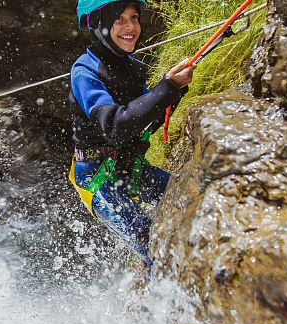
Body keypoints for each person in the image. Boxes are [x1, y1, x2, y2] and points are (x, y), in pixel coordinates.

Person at [69, 0, 195, 270]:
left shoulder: (134, 68)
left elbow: (146, 123)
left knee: (188, 199)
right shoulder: (85, 73)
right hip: (96, 179)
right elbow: (115, 127)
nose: (131, 27)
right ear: (99, 23)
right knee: (155, 246)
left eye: (134, 18)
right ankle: (158, 309)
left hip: (129, 167)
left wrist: (174, 90)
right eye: (119, 19)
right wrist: (166, 89)